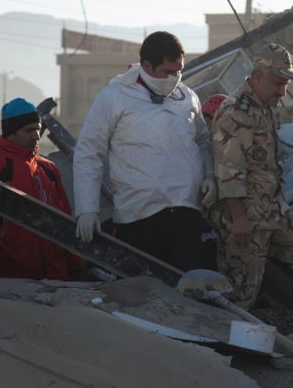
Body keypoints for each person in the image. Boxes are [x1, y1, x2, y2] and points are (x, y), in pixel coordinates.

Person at [73, 31, 215, 272]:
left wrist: (209, 174)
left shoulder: (188, 97)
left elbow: (202, 141)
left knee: (188, 285)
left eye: (178, 71)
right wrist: (87, 209)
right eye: (167, 72)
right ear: (147, 66)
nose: (174, 78)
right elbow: (89, 153)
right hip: (139, 217)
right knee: (142, 287)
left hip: (187, 214)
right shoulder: (115, 97)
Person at [208, 43, 293, 309]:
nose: (282, 91)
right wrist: (239, 219)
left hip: (272, 208)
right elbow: (228, 172)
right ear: (258, 76)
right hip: (243, 216)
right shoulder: (236, 112)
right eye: (278, 83)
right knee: (242, 292)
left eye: (286, 84)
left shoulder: (265, 107)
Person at [0, 98, 83, 280]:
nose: (36, 136)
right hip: (11, 279)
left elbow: (65, 221)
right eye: (29, 130)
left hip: (57, 278)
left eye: (38, 129)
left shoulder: (49, 169)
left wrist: (75, 268)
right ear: (11, 132)